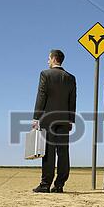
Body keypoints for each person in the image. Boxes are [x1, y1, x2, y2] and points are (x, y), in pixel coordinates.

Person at [32, 49, 76, 193]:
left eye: (49, 58)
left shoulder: (45, 74)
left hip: (48, 119)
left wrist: (36, 117)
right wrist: (71, 120)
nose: (47, 61)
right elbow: (72, 100)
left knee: (48, 152)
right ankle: (59, 185)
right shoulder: (70, 77)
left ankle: (45, 184)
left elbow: (41, 96)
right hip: (64, 120)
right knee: (63, 152)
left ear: (53, 59)